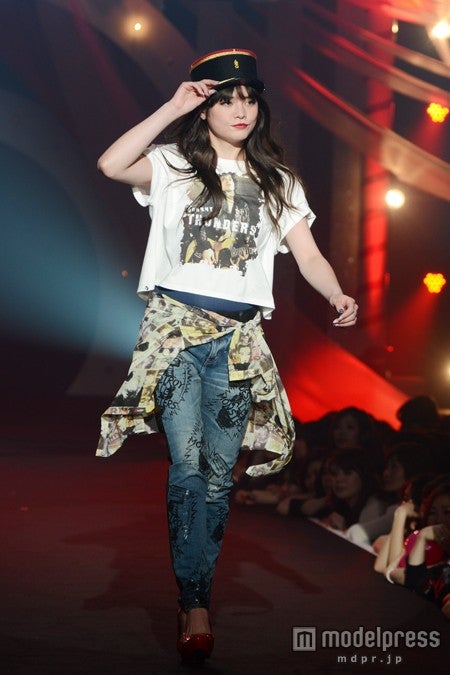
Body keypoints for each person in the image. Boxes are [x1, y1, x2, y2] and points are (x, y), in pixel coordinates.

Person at [95, 48, 357, 663]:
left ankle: (197, 592)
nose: (241, 110)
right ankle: (195, 604)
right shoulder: (173, 163)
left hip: (239, 343)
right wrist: (172, 107)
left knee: (217, 479)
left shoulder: (278, 180)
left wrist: (336, 292)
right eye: (226, 99)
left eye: (249, 99)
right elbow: (111, 164)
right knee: (187, 467)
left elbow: (308, 254)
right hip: (177, 336)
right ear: (205, 108)